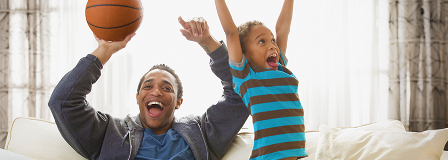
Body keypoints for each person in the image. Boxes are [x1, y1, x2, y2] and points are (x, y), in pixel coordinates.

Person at [48, 17, 249, 160]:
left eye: (167, 88)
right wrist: (104, 51)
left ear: (179, 102)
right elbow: (63, 102)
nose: (156, 92)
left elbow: (243, 94)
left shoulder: (202, 132)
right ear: (138, 97)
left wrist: (208, 43)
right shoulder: (109, 133)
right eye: (148, 86)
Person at [214, 0, 307, 159]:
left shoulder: (280, 67)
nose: (272, 45)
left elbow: (283, 30)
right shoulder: (246, 77)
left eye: (272, 40)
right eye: (262, 41)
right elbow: (231, 32)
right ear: (245, 55)